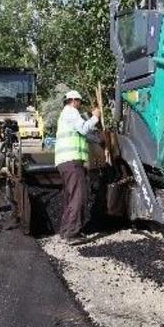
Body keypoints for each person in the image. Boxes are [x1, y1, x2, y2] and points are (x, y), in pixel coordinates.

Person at [55, 90, 101, 245]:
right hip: (72, 161)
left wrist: (98, 139)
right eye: (80, 102)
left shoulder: (65, 115)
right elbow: (83, 129)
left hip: (65, 162)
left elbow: (83, 134)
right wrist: (95, 117)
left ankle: (66, 231)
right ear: (74, 100)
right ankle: (72, 233)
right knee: (78, 196)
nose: (80, 105)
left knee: (70, 197)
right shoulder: (71, 111)